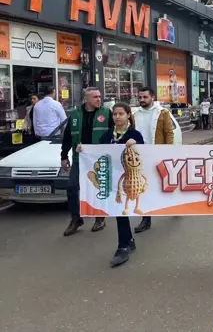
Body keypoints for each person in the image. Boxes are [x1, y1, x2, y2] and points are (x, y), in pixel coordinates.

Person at [79, 103, 144, 267]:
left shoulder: (134, 134)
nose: (117, 117)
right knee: (119, 212)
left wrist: (135, 145)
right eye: (115, 114)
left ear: (128, 115)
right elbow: (99, 154)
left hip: (130, 179)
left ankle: (124, 245)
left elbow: (145, 155)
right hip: (113, 180)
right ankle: (126, 243)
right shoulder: (107, 136)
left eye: (121, 114)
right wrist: (84, 150)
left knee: (124, 210)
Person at [60, 87, 112, 236]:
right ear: (86, 100)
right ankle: (76, 219)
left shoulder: (106, 113)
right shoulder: (75, 114)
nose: (98, 99)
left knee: (98, 188)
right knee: (72, 188)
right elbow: (68, 137)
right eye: (95, 97)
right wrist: (64, 156)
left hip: (99, 158)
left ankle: (100, 218)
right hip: (80, 158)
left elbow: (114, 134)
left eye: (99, 96)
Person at [132, 87, 175, 234]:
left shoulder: (162, 113)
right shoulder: (134, 114)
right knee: (143, 188)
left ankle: (174, 203)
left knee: (163, 183)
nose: (142, 100)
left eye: (145, 97)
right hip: (140, 156)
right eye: (140, 97)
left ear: (152, 97)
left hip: (157, 154)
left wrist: (168, 151)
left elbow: (169, 133)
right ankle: (146, 219)